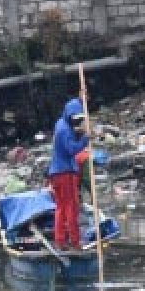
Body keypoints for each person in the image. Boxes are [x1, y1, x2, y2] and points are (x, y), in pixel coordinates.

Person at [47, 97, 90, 250]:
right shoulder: (65, 130)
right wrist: (85, 138)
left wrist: (82, 98)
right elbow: (71, 149)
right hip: (65, 173)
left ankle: (60, 240)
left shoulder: (60, 124)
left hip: (56, 172)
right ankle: (75, 241)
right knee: (71, 207)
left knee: (60, 207)